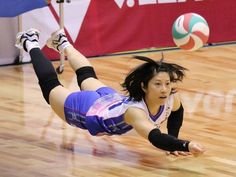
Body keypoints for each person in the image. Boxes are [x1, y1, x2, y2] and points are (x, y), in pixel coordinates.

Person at [15, 28, 205, 156]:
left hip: (111, 100)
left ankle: (62, 42)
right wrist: (184, 145)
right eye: (157, 84)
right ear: (144, 87)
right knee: (51, 87)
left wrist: (174, 140)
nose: (165, 89)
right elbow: (155, 138)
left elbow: (177, 112)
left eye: (167, 83)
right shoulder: (135, 112)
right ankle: (29, 42)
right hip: (89, 111)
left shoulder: (172, 97)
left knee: (87, 76)